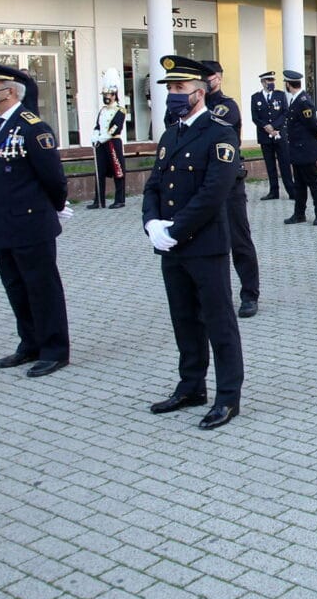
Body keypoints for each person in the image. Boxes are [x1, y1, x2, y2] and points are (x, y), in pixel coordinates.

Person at [143, 55, 243, 430]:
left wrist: (174, 229)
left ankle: (228, 397)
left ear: (199, 92)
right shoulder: (171, 134)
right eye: (169, 88)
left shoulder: (220, 133)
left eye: (178, 88)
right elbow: (154, 184)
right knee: (183, 319)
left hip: (204, 244)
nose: (172, 94)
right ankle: (191, 386)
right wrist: (151, 223)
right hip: (172, 245)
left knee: (218, 322)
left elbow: (213, 193)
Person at [0, 61, 73, 378]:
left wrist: (56, 207)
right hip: (3, 223)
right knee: (16, 286)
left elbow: (54, 178)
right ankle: (30, 343)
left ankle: (54, 349)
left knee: (41, 287)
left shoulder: (33, 128)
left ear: (10, 91)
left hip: (32, 223)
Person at [202, 61, 261, 318]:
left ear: (219, 78)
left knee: (239, 241)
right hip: (201, 184)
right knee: (206, 243)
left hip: (228, 184)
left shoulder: (226, 106)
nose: (206, 81)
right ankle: (212, 297)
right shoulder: (188, 106)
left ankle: (250, 294)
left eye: (210, 76)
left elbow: (207, 131)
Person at [282, 70, 317, 226]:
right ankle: (299, 213)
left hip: (306, 150)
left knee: (313, 183)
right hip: (297, 149)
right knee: (299, 184)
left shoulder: (303, 101)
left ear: (288, 84)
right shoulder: (296, 100)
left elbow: (312, 123)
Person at [250, 71, 294, 200]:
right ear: (263, 82)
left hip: (280, 134)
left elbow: (285, 112)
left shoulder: (280, 95)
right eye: (269, 81)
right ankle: (273, 191)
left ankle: (291, 191)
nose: (271, 83)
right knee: (270, 165)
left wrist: (274, 126)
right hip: (265, 135)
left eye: (272, 80)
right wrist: (266, 127)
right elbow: (255, 117)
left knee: (284, 163)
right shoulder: (256, 97)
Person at [89, 83, 126, 209]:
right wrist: (95, 135)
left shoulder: (120, 110)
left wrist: (103, 137)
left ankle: (120, 199)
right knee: (99, 170)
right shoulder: (102, 110)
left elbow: (115, 127)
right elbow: (98, 125)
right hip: (100, 143)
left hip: (112, 142)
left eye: (108, 94)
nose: (106, 97)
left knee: (118, 170)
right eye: (105, 95)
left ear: (115, 96)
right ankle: (99, 200)